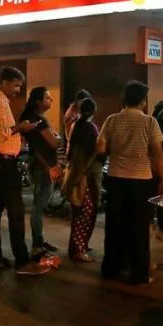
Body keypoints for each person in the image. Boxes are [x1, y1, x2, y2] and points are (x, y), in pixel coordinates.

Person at [0, 66, 50, 275]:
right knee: (16, 211)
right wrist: (21, 127)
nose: (18, 90)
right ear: (4, 82)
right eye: (16, 85)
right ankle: (22, 261)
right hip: (3, 162)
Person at [97, 80, 163, 285]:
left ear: (124, 100)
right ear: (143, 101)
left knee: (115, 225)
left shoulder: (111, 120)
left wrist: (116, 151)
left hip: (115, 178)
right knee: (138, 227)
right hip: (141, 181)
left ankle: (111, 269)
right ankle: (139, 273)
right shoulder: (150, 122)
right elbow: (158, 154)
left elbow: (100, 148)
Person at [20, 86, 61, 255]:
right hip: (44, 166)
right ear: (38, 101)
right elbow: (55, 143)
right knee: (39, 206)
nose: (51, 100)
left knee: (39, 204)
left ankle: (39, 241)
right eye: (47, 98)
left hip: (38, 164)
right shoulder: (39, 120)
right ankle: (37, 245)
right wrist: (58, 137)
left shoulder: (32, 118)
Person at [62, 98, 102, 262]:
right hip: (85, 177)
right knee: (85, 215)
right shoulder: (90, 128)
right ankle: (78, 249)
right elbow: (93, 153)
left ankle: (78, 246)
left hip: (74, 173)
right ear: (94, 111)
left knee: (78, 214)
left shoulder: (75, 126)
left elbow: (69, 152)